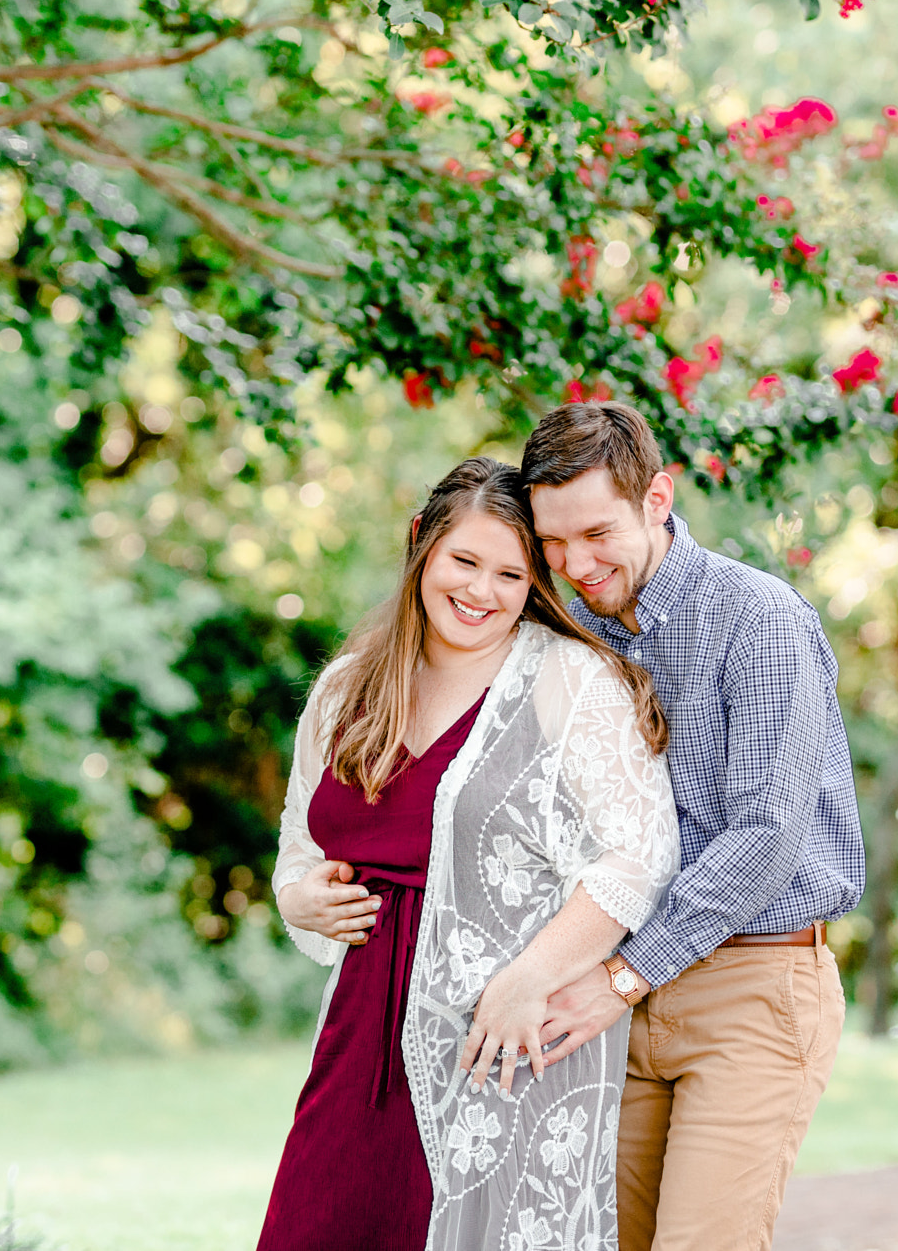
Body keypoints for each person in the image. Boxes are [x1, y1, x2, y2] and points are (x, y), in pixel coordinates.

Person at [258, 455, 680, 1251]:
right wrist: (296, 896)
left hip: (497, 1037)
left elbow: (638, 859)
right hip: (357, 1045)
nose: (481, 591)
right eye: (464, 561)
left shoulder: (566, 681)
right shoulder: (349, 688)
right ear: (421, 544)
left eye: (510, 575)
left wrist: (530, 979)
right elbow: (299, 843)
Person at [518, 403, 862, 1251]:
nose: (575, 564)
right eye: (553, 543)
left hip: (752, 985)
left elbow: (765, 836)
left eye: (596, 533)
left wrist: (624, 976)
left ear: (657, 499)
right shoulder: (575, 634)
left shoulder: (758, 618)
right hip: (620, 996)